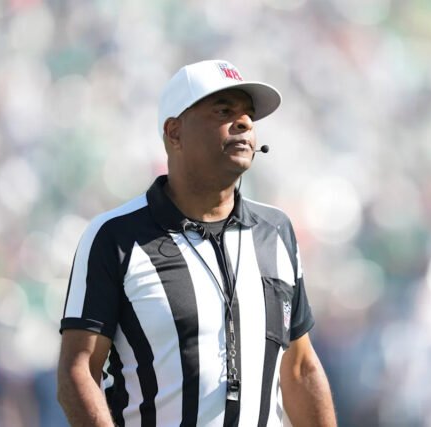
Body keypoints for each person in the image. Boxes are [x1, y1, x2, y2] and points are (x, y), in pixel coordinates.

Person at [57, 59, 336, 427]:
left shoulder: (276, 232)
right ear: (175, 133)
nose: (244, 123)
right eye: (223, 111)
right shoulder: (116, 237)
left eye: (249, 115)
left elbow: (299, 368)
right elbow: (78, 371)